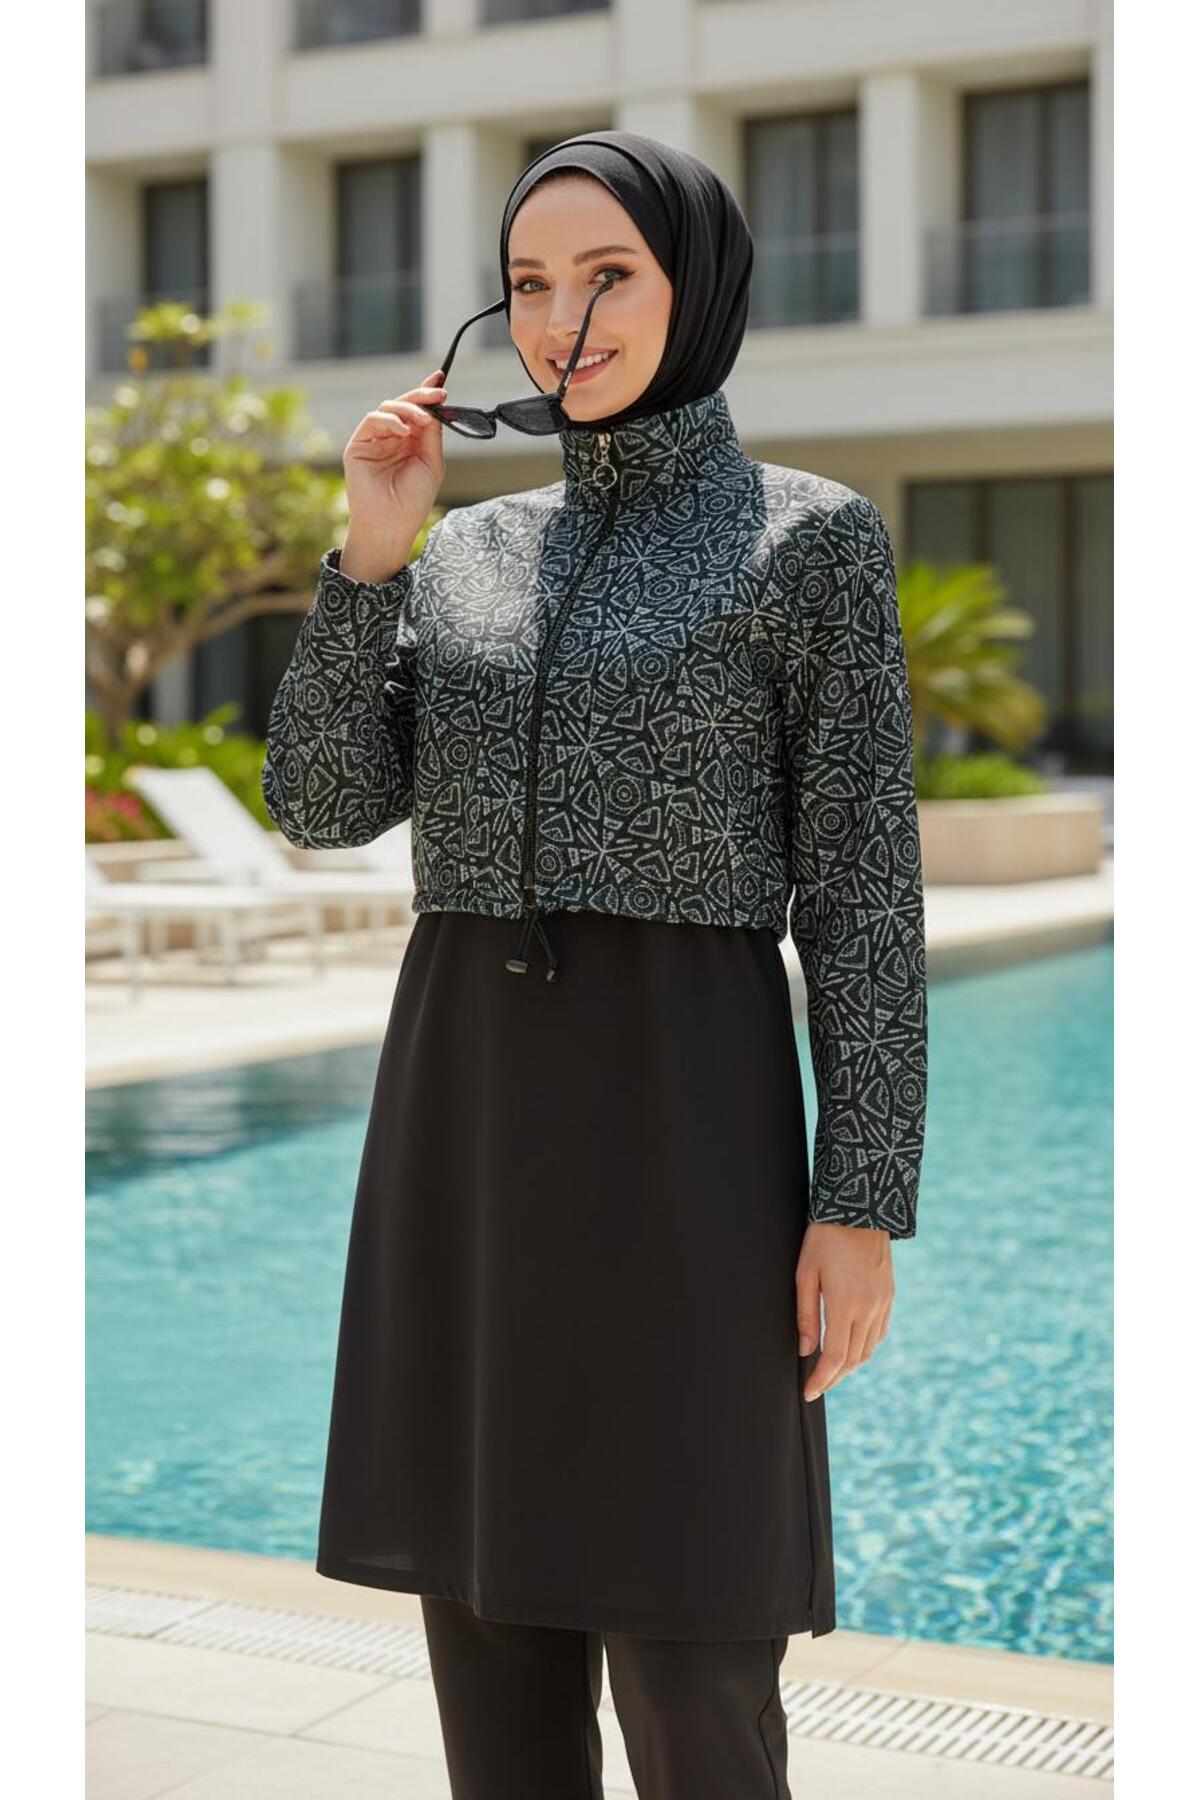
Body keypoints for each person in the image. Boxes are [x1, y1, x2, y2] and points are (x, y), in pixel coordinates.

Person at [262, 130, 928, 1800]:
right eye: (531, 285)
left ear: (697, 288)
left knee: (698, 1682)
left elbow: (864, 890)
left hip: (686, 1130)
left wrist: (861, 1203)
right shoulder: (470, 549)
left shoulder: (813, 540)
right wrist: (371, 552)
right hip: (469, 1127)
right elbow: (323, 803)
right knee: (493, 1668)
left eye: (609, 275)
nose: (565, 319)